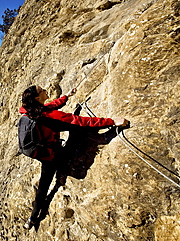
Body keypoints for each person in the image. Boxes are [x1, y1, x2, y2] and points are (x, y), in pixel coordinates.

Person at [19, 85, 128, 229]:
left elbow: (49, 107)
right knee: (79, 130)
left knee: (43, 186)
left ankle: (33, 218)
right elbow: (80, 121)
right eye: (42, 90)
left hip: (44, 154)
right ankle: (59, 177)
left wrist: (66, 97)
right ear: (38, 98)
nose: (46, 90)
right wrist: (112, 122)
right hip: (53, 154)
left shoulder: (30, 111)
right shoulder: (50, 117)